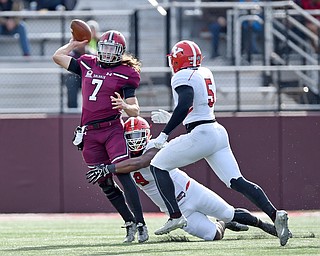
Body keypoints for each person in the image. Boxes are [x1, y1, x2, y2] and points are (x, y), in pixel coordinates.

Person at [131, 40, 289, 246]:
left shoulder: (181, 75)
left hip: (201, 134)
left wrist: (164, 134)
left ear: (178, 60)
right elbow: (197, 108)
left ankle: (175, 215)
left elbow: (186, 103)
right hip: (216, 132)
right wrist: (171, 116)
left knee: (158, 165)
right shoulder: (204, 72)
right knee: (236, 181)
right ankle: (275, 214)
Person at [86, 116, 280, 241]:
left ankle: (263, 225)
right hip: (176, 209)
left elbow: (141, 162)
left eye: (139, 134)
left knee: (229, 212)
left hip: (191, 191)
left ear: (148, 134)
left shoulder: (154, 146)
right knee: (213, 235)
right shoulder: (122, 157)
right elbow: (124, 177)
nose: (135, 139)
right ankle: (222, 224)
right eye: (131, 135)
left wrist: (108, 168)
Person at [52, 30, 148, 243]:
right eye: (104, 48)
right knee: (104, 182)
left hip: (112, 128)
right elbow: (57, 57)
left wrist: (124, 105)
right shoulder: (88, 62)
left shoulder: (126, 72)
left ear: (120, 52)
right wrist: (71, 44)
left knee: (123, 173)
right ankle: (129, 222)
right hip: (89, 132)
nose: (107, 53)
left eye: (112, 49)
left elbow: (135, 111)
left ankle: (141, 223)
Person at [64, 20, 100, 108]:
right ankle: (72, 110)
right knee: (71, 80)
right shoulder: (71, 54)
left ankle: (94, 107)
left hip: (89, 78)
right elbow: (59, 57)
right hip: (76, 78)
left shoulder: (91, 53)